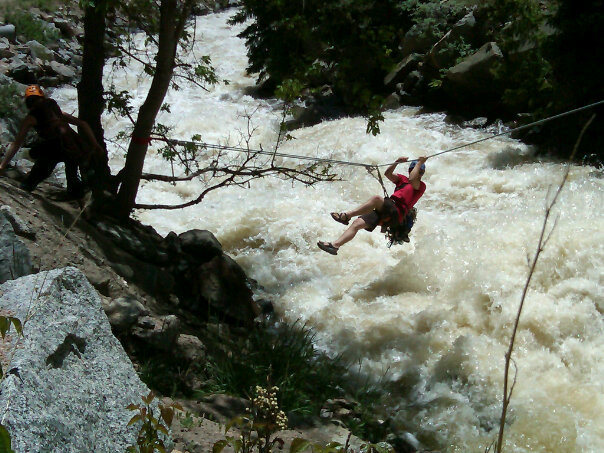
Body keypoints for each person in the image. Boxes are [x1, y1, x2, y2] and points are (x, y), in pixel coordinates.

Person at [0, 85, 105, 199]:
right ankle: (77, 195)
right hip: (73, 147)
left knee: (37, 166)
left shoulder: (31, 117)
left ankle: (27, 186)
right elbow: (83, 124)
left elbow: (17, 143)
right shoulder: (57, 112)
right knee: (72, 172)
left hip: (54, 148)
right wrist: (96, 145)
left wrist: (2, 165)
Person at [317, 156, 427, 255]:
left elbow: (413, 179)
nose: (419, 173)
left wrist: (420, 162)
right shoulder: (403, 179)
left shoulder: (420, 186)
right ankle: (335, 245)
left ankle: (346, 216)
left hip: (397, 213)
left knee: (377, 199)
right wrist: (396, 162)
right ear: (410, 170)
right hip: (388, 210)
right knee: (357, 224)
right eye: (419, 171)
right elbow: (388, 174)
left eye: (421, 172)